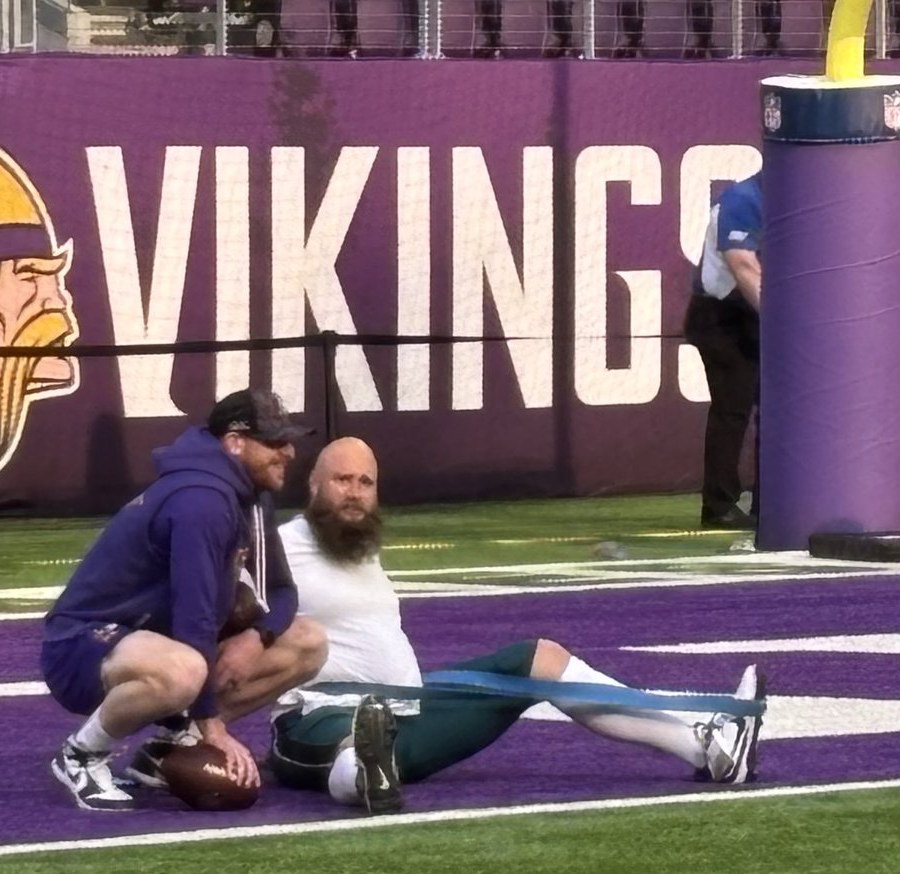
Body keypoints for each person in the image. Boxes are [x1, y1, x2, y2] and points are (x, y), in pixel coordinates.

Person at [264, 438, 765, 815]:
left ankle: (710, 750)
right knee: (355, 739)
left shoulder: (359, 544)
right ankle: (367, 779)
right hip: (315, 718)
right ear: (313, 484)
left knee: (537, 658)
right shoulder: (278, 547)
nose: (353, 493)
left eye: (365, 483)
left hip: (408, 714)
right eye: (341, 480)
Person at [41, 388, 328, 810]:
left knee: (306, 641)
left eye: (287, 440)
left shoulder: (248, 493)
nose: (288, 451)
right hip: (83, 642)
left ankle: (168, 746)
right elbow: (194, 616)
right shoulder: (201, 500)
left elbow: (282, 592)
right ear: (234, 442)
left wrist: (257, 638)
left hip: (151, 637)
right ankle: (80, 755)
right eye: (274, 442)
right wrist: (213, 727)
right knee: (186, 668)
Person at [683, 171, 762, 531]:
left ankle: (773, 500)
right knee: (733, 409)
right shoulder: (743, 198)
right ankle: (718, 506)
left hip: (757, 315)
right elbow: (743, 265)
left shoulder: (797, 196)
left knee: (780, 412)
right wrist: (787, 324)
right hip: (722, 318)